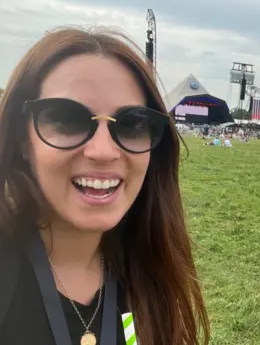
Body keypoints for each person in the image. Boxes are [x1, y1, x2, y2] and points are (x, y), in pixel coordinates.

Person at [0, 28, 210, 345]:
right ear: (21, 140)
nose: (104, 151)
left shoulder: (152, 269)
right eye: (66, 119)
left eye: (132, 123)